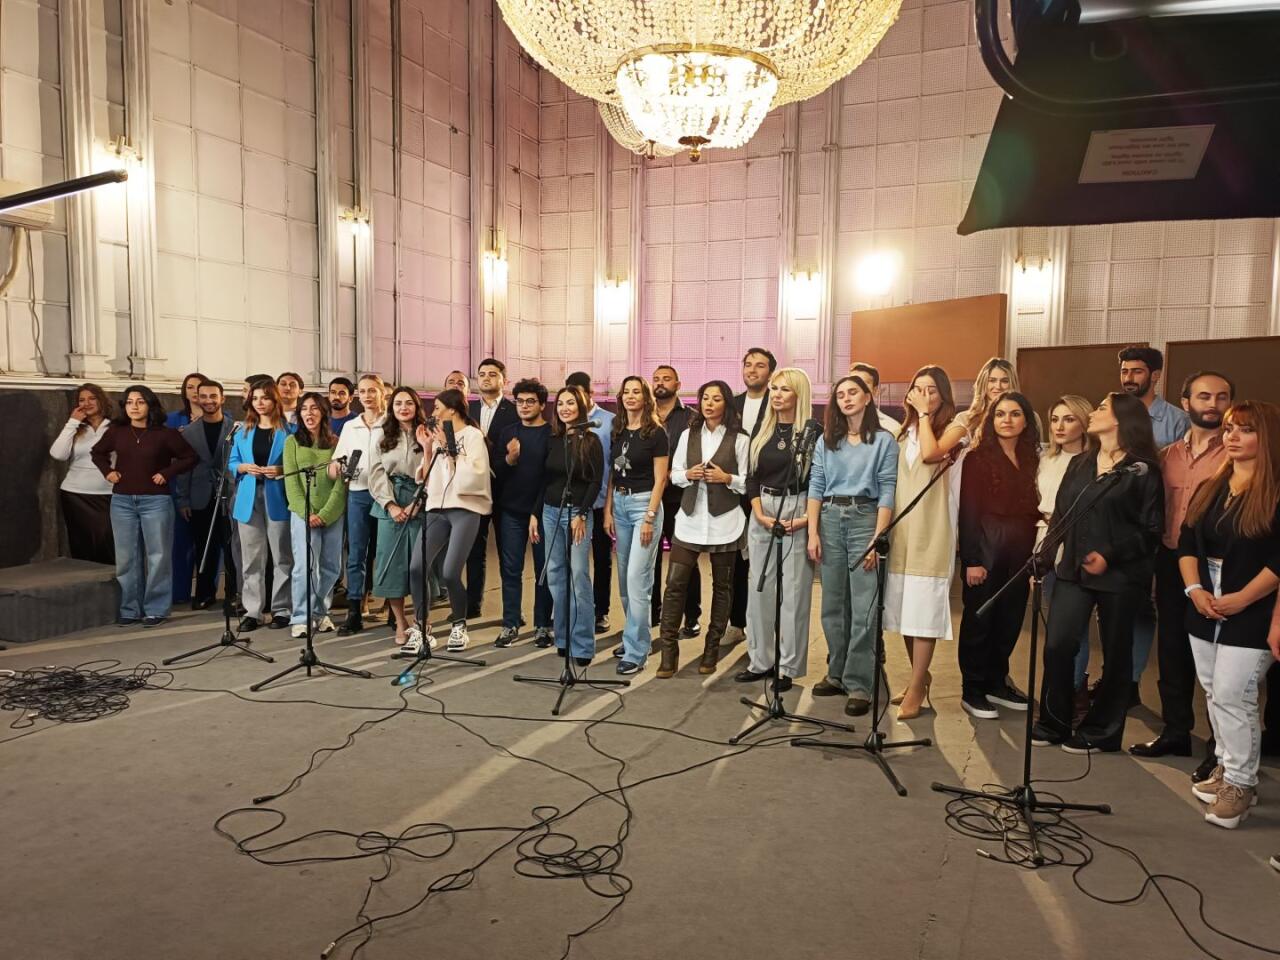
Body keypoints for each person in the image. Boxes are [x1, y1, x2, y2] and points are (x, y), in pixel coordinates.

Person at [1034, 393, 1164, 753]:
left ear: (1122, 419)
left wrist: (1110, 555)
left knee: (1116, 653)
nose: (1093, 413)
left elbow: (1151, 530)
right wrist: (1045, 555)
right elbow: (1062, 515)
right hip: (1073, 570)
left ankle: (1101, 732)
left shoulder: (1143, 470)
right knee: (1058, 644)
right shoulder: (1081, 462)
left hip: (1121, 577)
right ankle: (1054, 722)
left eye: (1102, 408)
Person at [1180, 401, 1280, 828]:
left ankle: (1240, 783)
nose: (1232, 436)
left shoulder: (1275, 492)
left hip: (1253, 604)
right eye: (1228, 428)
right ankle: (1225, 767)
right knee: (1213, 691)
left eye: (1245, 429)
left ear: (1267, 437)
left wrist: (1243, 599)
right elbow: (1187, 542)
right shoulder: (1212, 485)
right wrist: (1195, 589)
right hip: (1205, 599)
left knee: (1233, 693)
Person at [1131, 371, 1232, 763]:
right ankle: (1175, 732)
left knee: (1219, 660)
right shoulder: (1166, 457)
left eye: (1222, 397)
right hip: (1171, 561)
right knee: (1173, 649)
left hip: (1220, 568)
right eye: (1204, 396)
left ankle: (1221, 748)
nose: (1213, 404)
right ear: (1185, 403)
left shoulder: (1237, 455)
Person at [806, 374, 897, 717]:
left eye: (853, 392)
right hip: (830, 518)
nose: (846, 398)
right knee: (833, 604)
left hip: (865, 519)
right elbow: (816, 485)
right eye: (840, 394)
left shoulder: (884, 441)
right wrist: (813, 532)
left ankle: (860, 682)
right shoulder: (827, 441)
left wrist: (877, 538)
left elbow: (887, 490)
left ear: (868, 397)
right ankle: (837, 672)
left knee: (864, 607)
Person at [883, 365, 969, 719]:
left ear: (944, 395)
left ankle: (918, 686)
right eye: (918, 389)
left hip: (933, 529)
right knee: (904, 610)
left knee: (924, 610)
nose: (924, 395)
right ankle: (919, 676)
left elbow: (931, 456)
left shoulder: (953, 429)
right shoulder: (902, 432)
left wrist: (923, 415)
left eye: (931, 390)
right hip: (902, 530)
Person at [656, 380, 750, 679]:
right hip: (690, 518)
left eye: (716, 399)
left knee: (723, 587)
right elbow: (674, 474)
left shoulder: (740, 438)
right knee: (675, 585)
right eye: (705, 398)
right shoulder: (688, 434)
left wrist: (727, 478)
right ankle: (668, 652)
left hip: (726, 521)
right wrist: (688, 473)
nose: (709, 404)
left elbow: (748, 481)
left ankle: (711, 650)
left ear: (726, 404)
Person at [957, 392, 1042, 719]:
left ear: (1026, 420)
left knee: (1010, 618)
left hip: (1021, 547)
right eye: (1000, 414)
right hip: (987, 544)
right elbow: (969, 511)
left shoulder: (1032, 458)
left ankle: (996, 681)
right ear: (991, 420)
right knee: (980, 619)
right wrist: (972, 560)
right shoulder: (977, 459)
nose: (1007, 420)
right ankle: (973, 689)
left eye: (1015, 413)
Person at [735, 368, 816, 688]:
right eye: (775, 389)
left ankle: (789, 667)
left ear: (799, 395)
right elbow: (752, 477)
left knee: (794, 595)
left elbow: (820, 481)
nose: (777, 395)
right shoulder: (763, 429)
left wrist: (805, 520)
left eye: (785, 389)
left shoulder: (812, 433)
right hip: (763, 511)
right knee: (759, 590)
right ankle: (761, 661)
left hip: (797, 509)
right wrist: (758, 512)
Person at [90, 385, 197, 626]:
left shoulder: (165, 434)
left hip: (156, 501)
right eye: (129, 402)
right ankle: (130, 609)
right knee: (127, 558)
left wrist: (166, 473)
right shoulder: (117, 431)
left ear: (150, 405)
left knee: (158, 556)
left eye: (140, 402)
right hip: (122, 501)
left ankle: (156, 610)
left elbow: (190, 457)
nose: (134, 407)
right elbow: (97, 453)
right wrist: (108, 472)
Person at [399, 389, 493, 653]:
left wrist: (448, 446)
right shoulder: (438, 436)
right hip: (437, 508)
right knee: (416, 567)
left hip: (465, 507)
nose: (434, 413)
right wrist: (428, 448)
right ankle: (421, 628)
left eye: (438, 407)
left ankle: (459, 625)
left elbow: (476, 475)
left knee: (450, 571)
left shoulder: (473, 436)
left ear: (452, 409)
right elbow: (429, 479)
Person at [604, 376, 669, 675]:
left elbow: (661, 479)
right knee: (624, 580)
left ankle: (637, 651)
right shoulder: (617, 429)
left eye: (636, 392)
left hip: (644, 505)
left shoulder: (656, 432)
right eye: (626, 392)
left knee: (637, 579)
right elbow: (613, 475)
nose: (630, 396)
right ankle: (632, 635)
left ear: (645, 398)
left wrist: (650, 517)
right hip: (620, 504)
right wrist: (608, 511)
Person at [1035, 395, 1095, 723]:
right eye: (1055, 419)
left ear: (1084, 422)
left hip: (1077, 548)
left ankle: (1073, 692)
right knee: (1055, 628)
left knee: (1075, 629)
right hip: (1045, 545)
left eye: (1069, 419)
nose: (1060, 426)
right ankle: (1057, 694)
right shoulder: (1045, 459)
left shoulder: (1094, 462)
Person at [536, 385, 604, 666]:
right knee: (555, 575)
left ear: (581, 406)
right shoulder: (553, 440)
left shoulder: (591, 440)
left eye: (571, 403)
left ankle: (583, 644)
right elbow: (544, 480)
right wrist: (535, 514)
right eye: (561, 403)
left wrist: (582, 514)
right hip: (550, 512)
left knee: (578, 575)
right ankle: (563, 639)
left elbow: (595, 482)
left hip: (577, 514)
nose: (565, 408)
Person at [228, 380, 296, 632]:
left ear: (275, 400)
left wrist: (281, 469)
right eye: (255, 398)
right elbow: (232, 462)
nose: (259, 402)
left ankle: (282, 609)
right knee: (251, 559)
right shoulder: (242, 431)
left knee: (282, 557)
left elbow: (298, 463)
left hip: (278, 496)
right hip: (248, 497)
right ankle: (253, 611)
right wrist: (242, 467)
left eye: (265, 397)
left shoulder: (290, 431)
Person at [493, 378, 554, 648]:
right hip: (511, 512)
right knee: (510, 570)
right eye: (520, 401)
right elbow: (496, 471)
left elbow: (550, 478)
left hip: (541, 513)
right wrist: (509, 459)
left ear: (542, 405)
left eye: (531, 401)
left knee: (544, 571)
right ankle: (510, 623)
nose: (524, 406)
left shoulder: (551, 434)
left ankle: (543, 625)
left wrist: (536, 513)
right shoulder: (508, 432)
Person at [283, 393, 348, 637]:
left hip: (332, 513)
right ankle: (301, 616)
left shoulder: (336, 442)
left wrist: (327, 513)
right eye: (304, 409)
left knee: (331, 566)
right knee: (305, 566)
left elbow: (341, 482)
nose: (309, 413)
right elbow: (291, 482)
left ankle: (321, 613)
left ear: (323, 412)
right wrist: (307, 512)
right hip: (302, 514)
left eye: (314, 408)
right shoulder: (292, 442)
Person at [368, 387, 427, 646]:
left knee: (421, 565)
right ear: (391, 408)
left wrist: (418, 502)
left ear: (417, 406)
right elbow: (375, 471)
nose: (404, 408)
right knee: (391, 566)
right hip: (390, 499)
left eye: (409, 403)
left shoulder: (427, 432)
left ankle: (422, 621)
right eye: (398, 403)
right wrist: (390, 505)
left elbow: (435, 469)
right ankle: (401, 622)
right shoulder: (382, 434)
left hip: (420, 500)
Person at [727, 348, 777, 646]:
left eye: (760, 365)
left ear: (770, 372)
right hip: (734, 491)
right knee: (735, 561)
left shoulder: (778, 402)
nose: (752, 370)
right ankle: (736, 623)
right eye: (748, 364)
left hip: (765, 491)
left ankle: (766, 629)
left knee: (764, 563)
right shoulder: (732, 404)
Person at [332, 374, 387, 636]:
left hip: (387, 495)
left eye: (372, 390)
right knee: (356, 554)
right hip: (358, 493)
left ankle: (393, 605)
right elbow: (338, 460)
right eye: (363, 391)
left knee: (386, 552)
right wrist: (338, 468)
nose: (367, 396)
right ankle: (354, 610)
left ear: (382, 393)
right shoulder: (350, 426)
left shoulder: (392, 422)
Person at [175, 379, 236, 609]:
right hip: (199, 496)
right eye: (204, 396)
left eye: (213, 396)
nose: (208, 401)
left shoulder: (236, 429)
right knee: (204, 547)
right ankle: (204, 594)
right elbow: (183, 469)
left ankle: (234, 594)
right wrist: (183, 499)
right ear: (197, 399)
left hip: (229, 496)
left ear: (222, 398)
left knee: (232, 548)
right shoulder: (188, 432)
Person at [466, 358, 519, 620]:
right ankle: (472, 605)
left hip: (506, 489)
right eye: (482, 374)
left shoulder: (515, 411)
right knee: (474, 550)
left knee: (509, 554)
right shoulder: (468, 410)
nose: (486, 378)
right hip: (475, 491)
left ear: (504, 380)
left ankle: (512, 612)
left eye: (492, 374)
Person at [650, 364, 701, 638]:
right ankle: (652, 612)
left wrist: (672, 474)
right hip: (647, 498)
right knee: (650, 559)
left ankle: (692, 616)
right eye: (656, 379)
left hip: (678, 499)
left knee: (684, 560)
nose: (660, 383)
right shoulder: (645, 415)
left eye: (666, 379)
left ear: (678, 385)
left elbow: (697, 455)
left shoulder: (692, 418)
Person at [566, 371, 616, 634]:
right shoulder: (566, 422)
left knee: (602, 558)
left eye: (579, 393)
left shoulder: (608, 421)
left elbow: (614, 465)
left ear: (590, 392)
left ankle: (601, 611)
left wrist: (609, 506)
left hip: (601, 502)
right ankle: (575, 610)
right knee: (575, 563)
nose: (573, 400)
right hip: (575, 504)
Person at [49, 383, 115, 564]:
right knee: (82, 547)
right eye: (82, 400)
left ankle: (110, 582)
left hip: (108, 494)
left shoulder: (116, 427)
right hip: (75, 495)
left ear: (102, 401)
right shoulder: (76, 428)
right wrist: (72, 422)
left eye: (92, 398)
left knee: (107, 545)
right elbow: (58, 454)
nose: (87, 403)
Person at [166, 371, 205, 606]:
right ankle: (179, 592)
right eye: (190, 387)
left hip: (207, 485)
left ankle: (205, 593)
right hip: (179, 484)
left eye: (199, 387)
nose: (195, 392)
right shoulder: (172, 419)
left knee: (207, 545)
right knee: (180, 543)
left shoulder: (224, 418)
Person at [954, 357, 1018, 443]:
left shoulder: (1028, 417)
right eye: (992, 380)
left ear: (1012, 384)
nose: (998, 386)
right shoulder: (963, 419)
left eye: (1004, 381)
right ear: (983, 383)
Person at [849, 361, 901, 435]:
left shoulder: (892, 428)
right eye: (852, 383)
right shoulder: (835, 425)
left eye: (863, 384)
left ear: (875, 390)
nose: (857, 388)